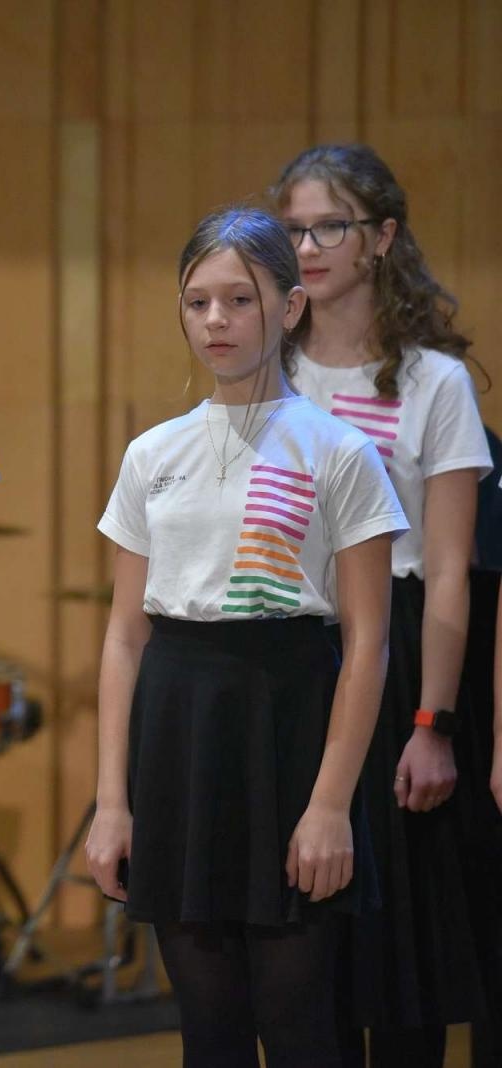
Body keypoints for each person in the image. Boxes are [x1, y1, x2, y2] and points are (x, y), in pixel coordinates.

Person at [84, 205, 406, 1067]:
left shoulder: (339, 452)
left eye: (239, 299)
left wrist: (331, 804)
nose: (216, 321)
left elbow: (367, 643)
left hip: (292, 728)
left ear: (289, 306)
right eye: (197, 303)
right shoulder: (153, 454)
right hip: (181, 734)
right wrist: (113, 802)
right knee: (209, 1030)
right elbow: (124, 636)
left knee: (300, 1025)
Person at [271, 143, 495, 1066]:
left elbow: (448, 568)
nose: (310, 246)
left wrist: (432, 721)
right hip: (294, 647)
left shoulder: (434, 381)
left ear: (382, 237)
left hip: (401, 647)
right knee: (304, 949)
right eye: (294, 230)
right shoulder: (270, 366)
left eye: (332, 226)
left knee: (400, 945)